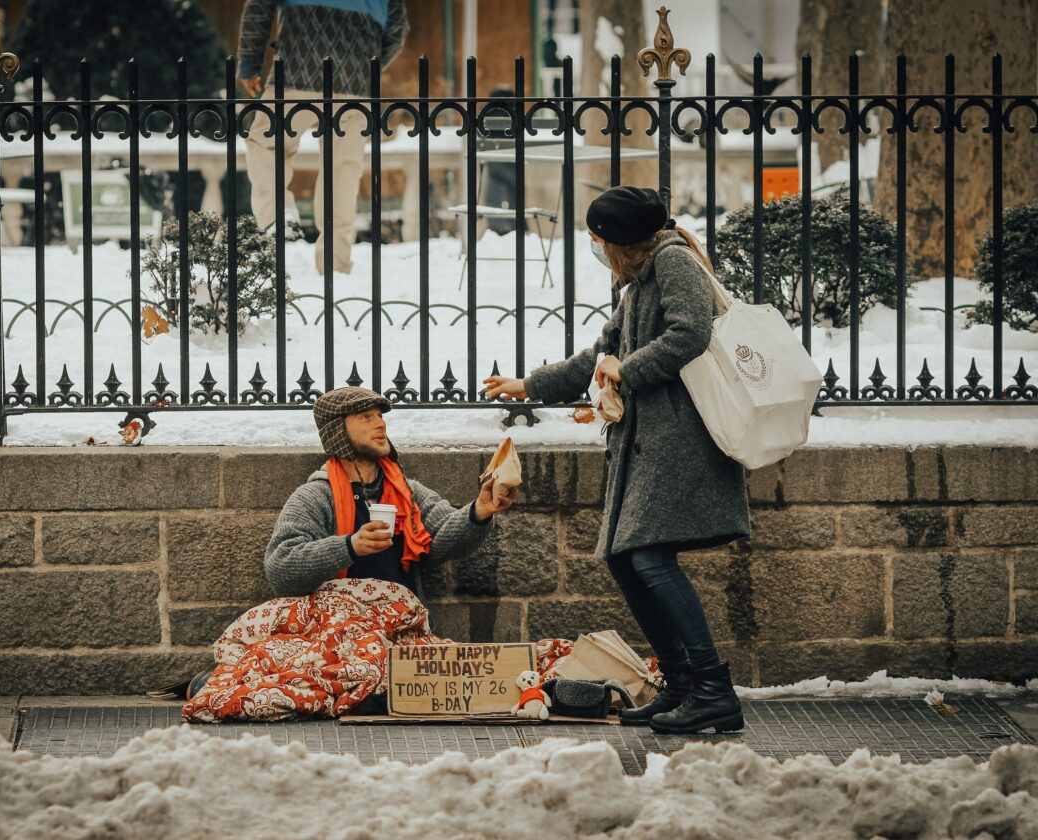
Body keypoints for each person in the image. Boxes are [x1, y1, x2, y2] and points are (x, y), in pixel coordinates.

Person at [483, 186, 751, 736]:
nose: (594, 246)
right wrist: (529, 384)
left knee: (648, 557)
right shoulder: (638, 281)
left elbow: (690, 334)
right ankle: (680, 684)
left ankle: (714, 691)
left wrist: (627, 371)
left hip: (678, 442)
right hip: (645, 441)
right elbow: (598, 352)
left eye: (597, 238)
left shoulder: (673, 262)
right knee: (623, 558)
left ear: (620, 240)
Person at [264, 385, 514, 599]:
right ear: (337, 431)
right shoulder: (314, 497)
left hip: (402, 622)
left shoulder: (408, 491)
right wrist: (349, 546)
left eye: (380, 416)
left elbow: (444, 537)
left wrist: (478, 512)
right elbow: (280, 569)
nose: (380, 424)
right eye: (365, 417)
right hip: (338, 628)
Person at [238, 0, 410, 274]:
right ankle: (335, 266)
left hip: (296, 71)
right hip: (355, 82)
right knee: (342, 171)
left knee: (265, 143)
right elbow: (396, 29)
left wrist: (250, 63)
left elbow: (260, 6)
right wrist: (366, 65)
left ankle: (276, 217)